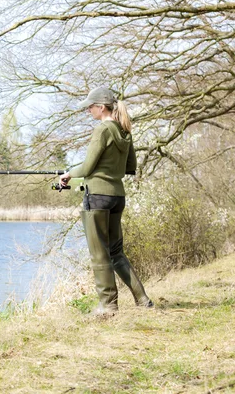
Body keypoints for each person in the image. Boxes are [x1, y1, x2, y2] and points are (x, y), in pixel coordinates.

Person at [59, 87, 153, 316]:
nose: (89, 110)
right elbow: (130, 166)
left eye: (90, 107)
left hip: (98, 197)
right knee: (116, 251)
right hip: (117, 196)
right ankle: (143, 300)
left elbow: (88, 167)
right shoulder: (124, 131)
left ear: (101, 107)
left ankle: (108, 306)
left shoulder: (102, 130)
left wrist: (68, 174)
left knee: (99, 253)